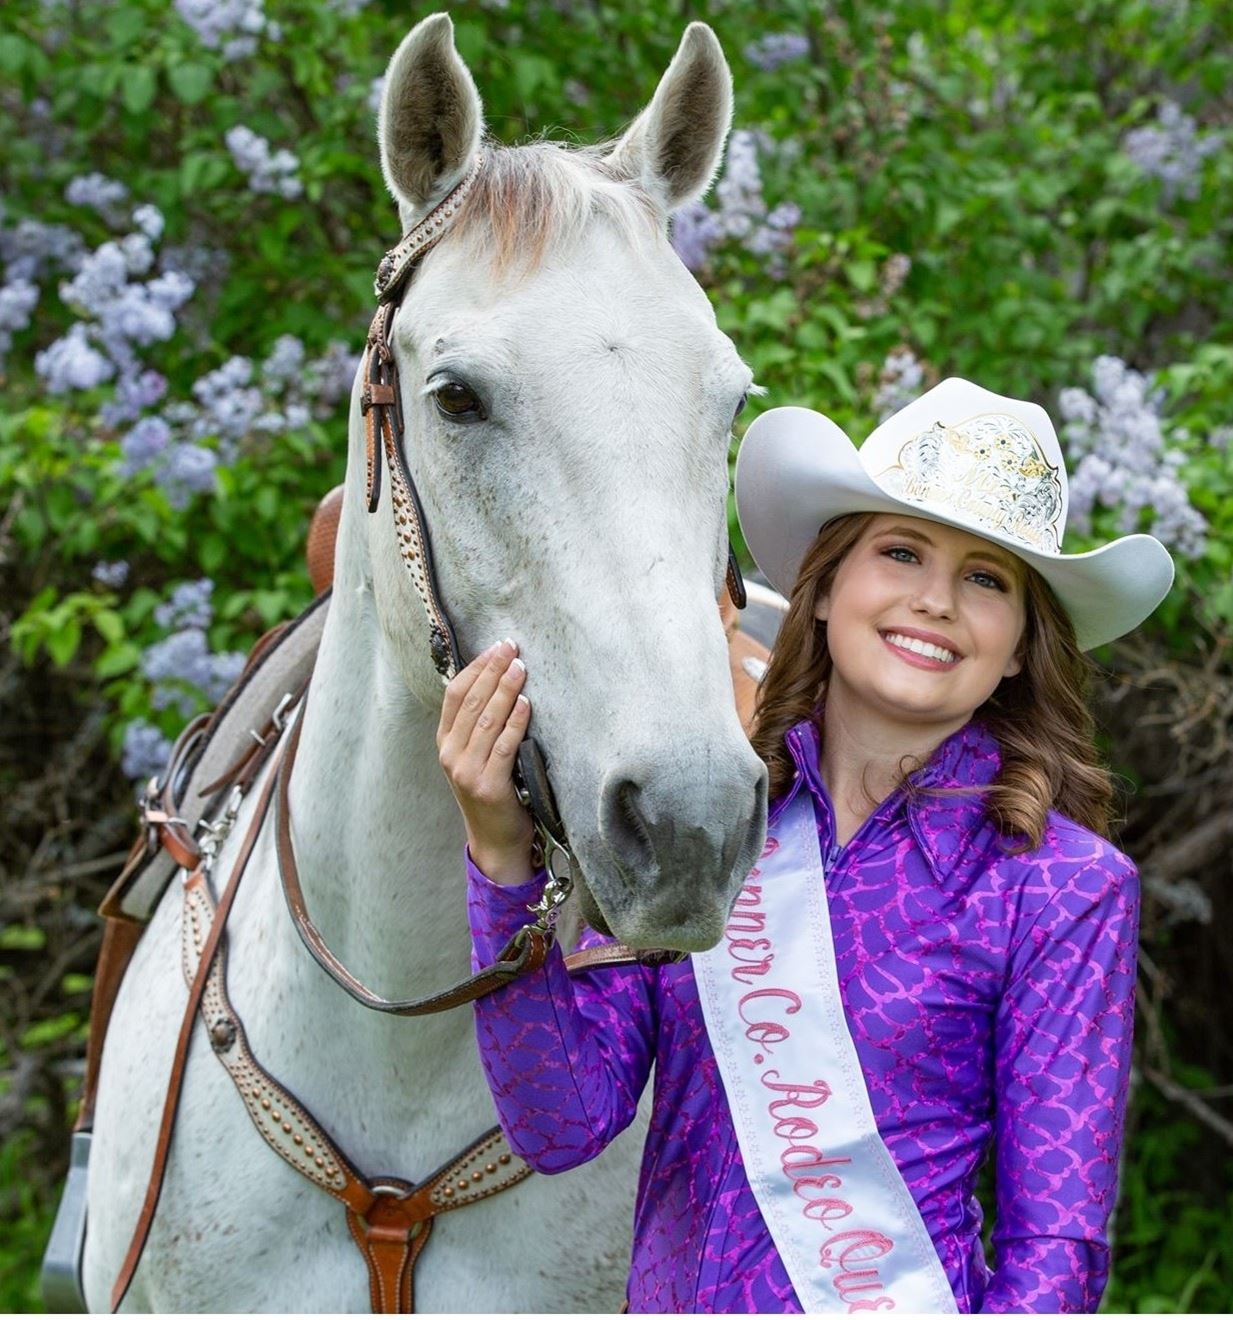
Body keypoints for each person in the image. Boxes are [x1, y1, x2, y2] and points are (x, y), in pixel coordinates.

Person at [436, 378, 1174, 1314]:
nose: (936, 600)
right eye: (900, 553)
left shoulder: (1060, 888)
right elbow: (561, 1121)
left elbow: (1055, 1251)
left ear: (1021, 645)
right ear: (822, 590)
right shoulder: (714, 828)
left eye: (986, 579)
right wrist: (501, 855)